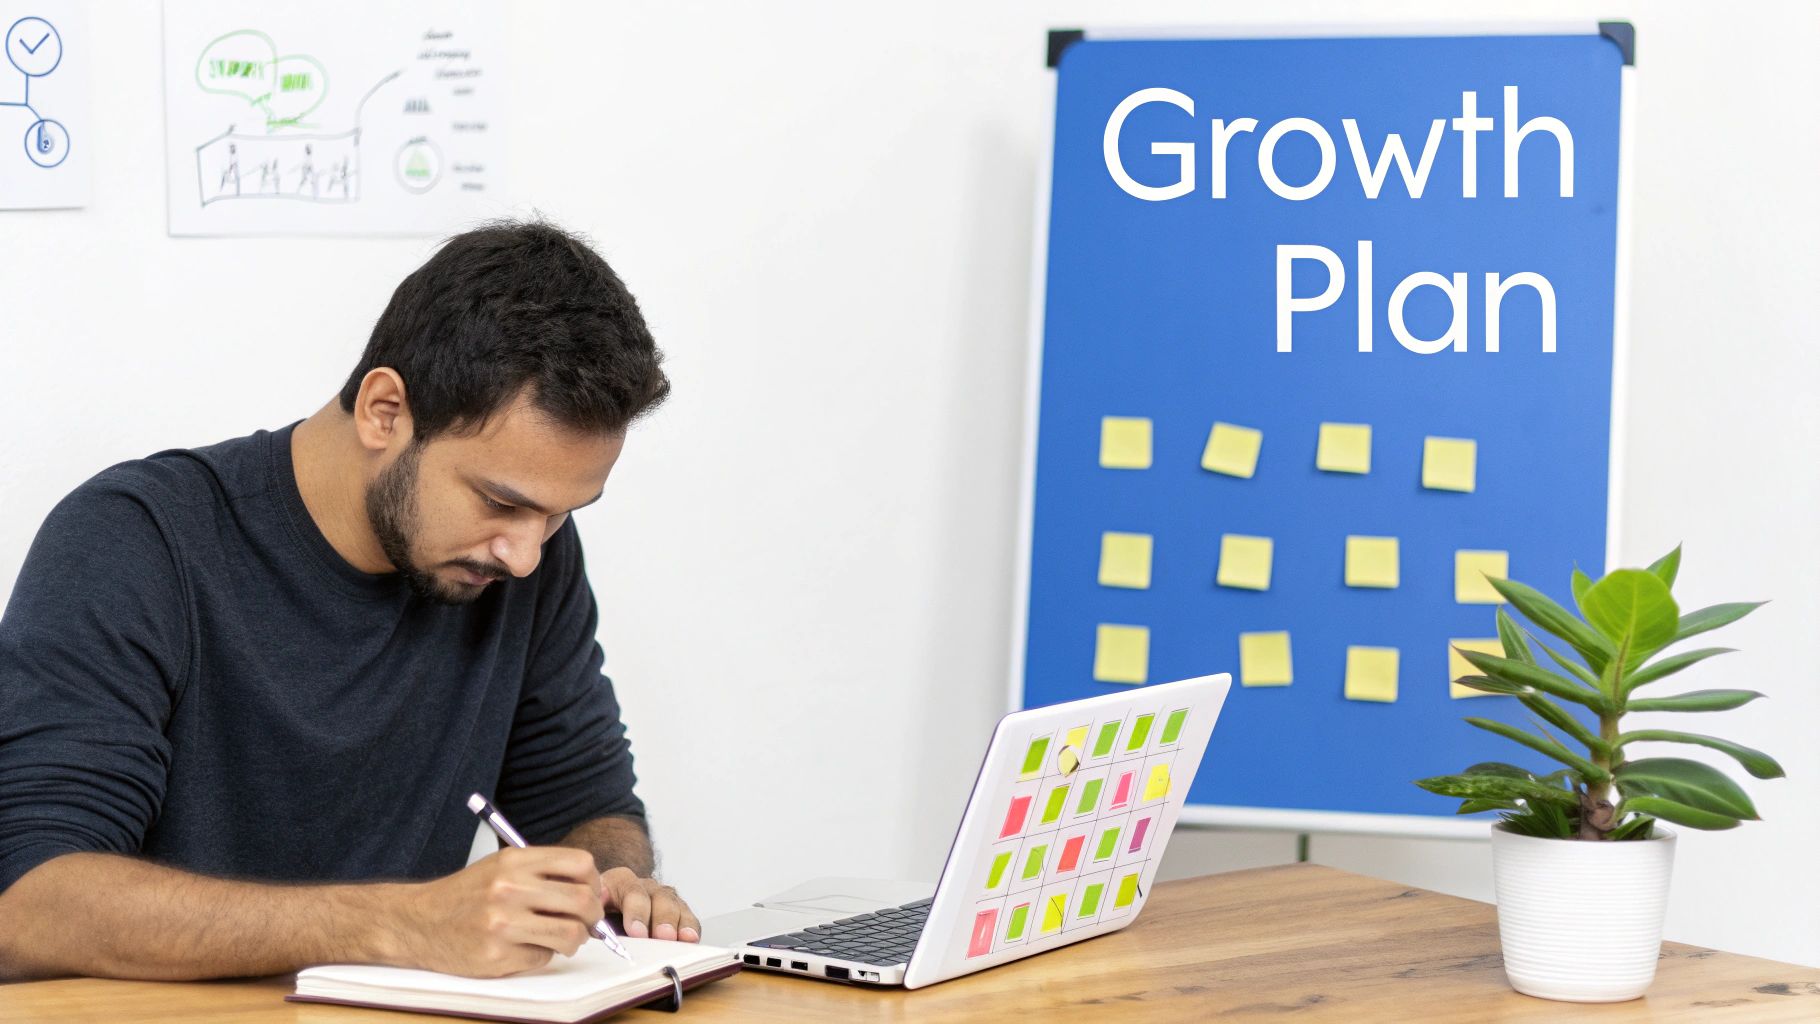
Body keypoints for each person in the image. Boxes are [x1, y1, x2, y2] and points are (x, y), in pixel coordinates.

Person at [0, 219, 696, 981]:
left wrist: (608, 882)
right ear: (385, 411)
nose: (527, 555)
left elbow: (583, 807)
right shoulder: (134, 542)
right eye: (500, 502)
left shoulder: (522, 562)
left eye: (562, 513)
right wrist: (397, 924)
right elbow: (31, 905)